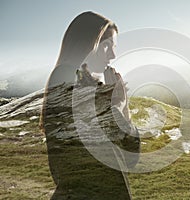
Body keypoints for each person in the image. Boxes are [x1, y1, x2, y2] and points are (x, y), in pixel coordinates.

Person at [40, 11, 140, 200]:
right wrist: (116, 105)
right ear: (86, 44)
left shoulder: (94, 90)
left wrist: (123, 106)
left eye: (114, 46)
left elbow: (130, 158)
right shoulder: (64, 77)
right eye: (106, 45)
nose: (113, 54)